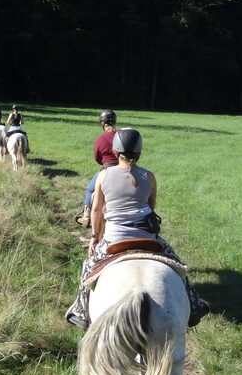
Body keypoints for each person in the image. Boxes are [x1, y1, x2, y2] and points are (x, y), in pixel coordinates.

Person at [65, 128, 210, 331]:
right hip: (147, 236)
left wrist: (95, 237)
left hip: (113, 238)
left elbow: (97, 209)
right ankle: (194, 306)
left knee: (88, 266)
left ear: (115, 152)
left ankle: (81, 311)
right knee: (178, 267)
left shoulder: (104, 175)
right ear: (139, 153)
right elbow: (151, 208)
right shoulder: (149, 176)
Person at [75, 109, 118, 228]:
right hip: (124, 168)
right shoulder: (121, 135)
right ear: (114, 122)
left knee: (90, 189)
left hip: (107, 169)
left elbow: (97, 158)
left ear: (103, 124)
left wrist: (104, 162)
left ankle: (86, 217)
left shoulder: (101, 139)